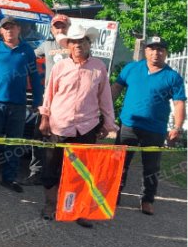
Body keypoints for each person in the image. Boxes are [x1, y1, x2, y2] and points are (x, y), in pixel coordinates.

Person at [38, 24, 117, 228]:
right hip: (59, 126)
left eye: (82, 41)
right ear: (69, 45)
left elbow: (105, 98)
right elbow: (49, 93)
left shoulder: (98, 67)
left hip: (86, 128)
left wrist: (108, 123)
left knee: (82, 171)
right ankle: (50, 205)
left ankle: (79, 210)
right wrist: (45, 118)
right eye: (74, 42)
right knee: (50, 168)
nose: (78, 45)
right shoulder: (60, 67)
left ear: (88, 44)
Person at [112, 36, 186, 216]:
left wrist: (177, 127)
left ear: (165, 53)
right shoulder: (131, 69)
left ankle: (147, 200)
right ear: (145, 51)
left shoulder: (172, 77)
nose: (155, 53)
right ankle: (114, 194)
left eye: (160, 49)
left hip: (155, 130)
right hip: (128, 125)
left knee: (151, 167)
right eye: (152, 49)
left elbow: (178, 104)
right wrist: (106, 113)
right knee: (119, 162)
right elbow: (115, 89)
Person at [0, 16, 43, 193]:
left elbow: (35, 77)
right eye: (5, 28)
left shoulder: (27, 50)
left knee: (14, 144)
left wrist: (38, 100)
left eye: (12, 27)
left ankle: (9, 178)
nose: (9, 31)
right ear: (1, 31)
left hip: (18, 104)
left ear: (19, 29)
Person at [21, 14, 71, 186]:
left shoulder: (74, 45)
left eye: (63, 26)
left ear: (68, 28)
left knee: (62, 138)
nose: (60, 29)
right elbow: (30, 55)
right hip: (49, 98)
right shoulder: (47, 44)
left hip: (68, 101)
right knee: (39, 134)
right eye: (57, 27)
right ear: (51, 29)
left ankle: (60, 175)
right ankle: (36, 172)